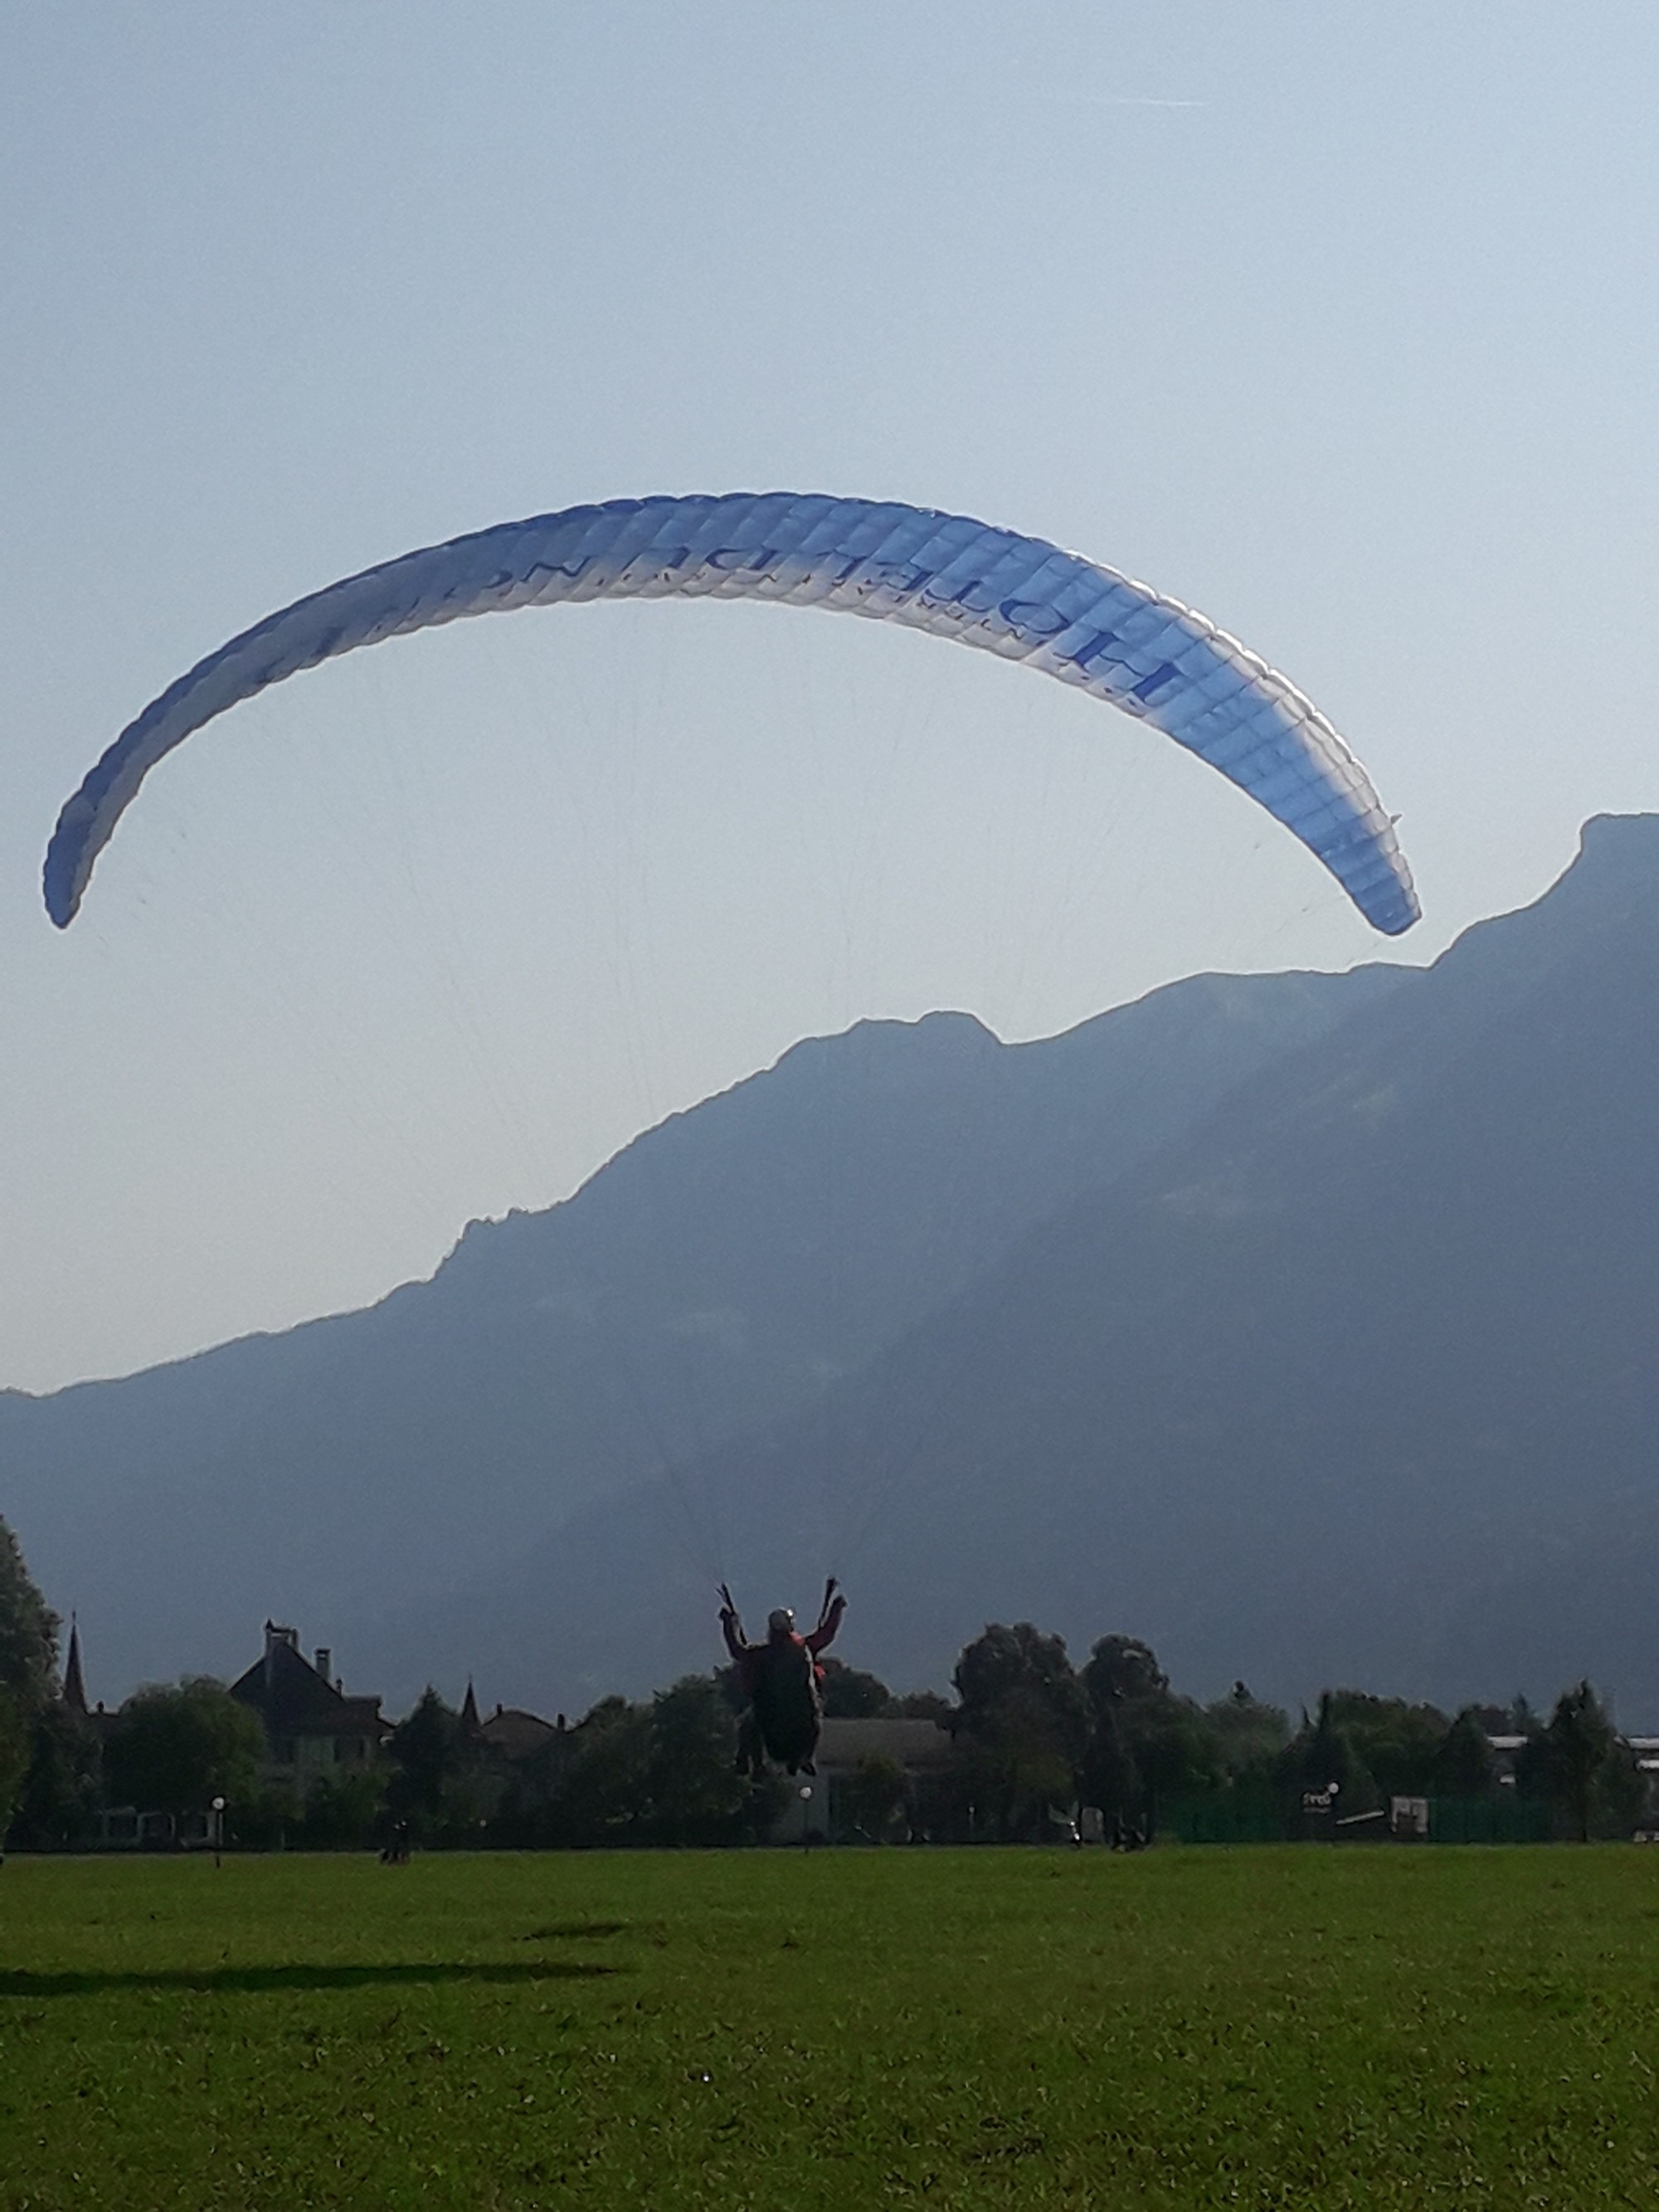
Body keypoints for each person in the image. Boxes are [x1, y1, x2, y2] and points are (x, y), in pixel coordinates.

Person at [720, 1578, 847, 1776]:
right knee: (815, 1724)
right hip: (801, 1712)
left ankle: (746, 1760)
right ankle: (806, 1758)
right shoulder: (804, 1648)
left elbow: (737, 1651)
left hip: (770, 1712)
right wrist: (836, 1609)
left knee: (748, 1725)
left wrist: (729, 1624)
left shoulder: (761, 1654)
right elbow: (826, 1633)